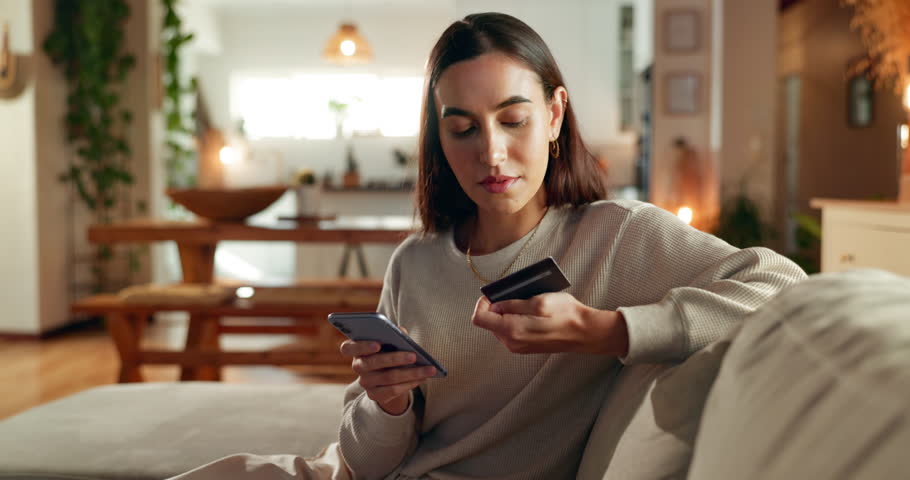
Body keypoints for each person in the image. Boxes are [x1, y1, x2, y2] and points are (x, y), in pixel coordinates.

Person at [170, 12, 806, 480]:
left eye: (513, 119)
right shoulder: (415, 262)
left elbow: (784, 284)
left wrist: (606, 329)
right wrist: (388, 404)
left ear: (555, 115)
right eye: (463, 128)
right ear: (439, 141)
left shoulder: (614, 236)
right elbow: (362, 462)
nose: (491, 153)